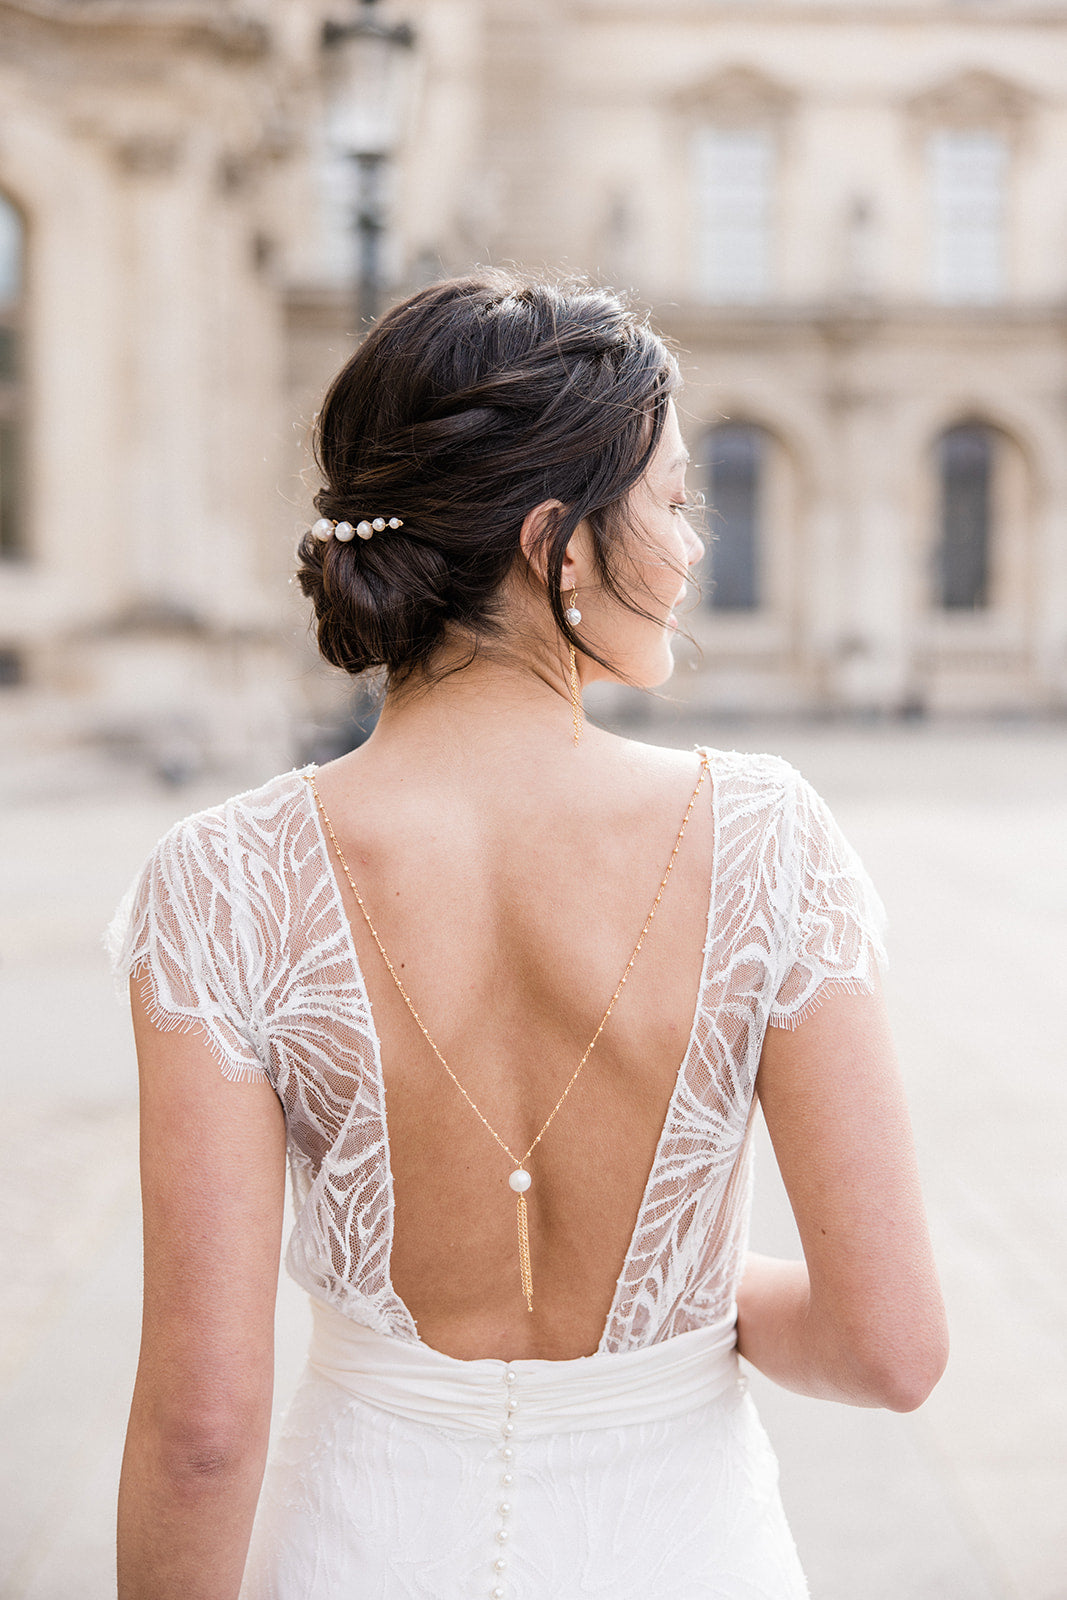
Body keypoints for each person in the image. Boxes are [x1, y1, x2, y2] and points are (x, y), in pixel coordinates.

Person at [110, 270, 948, 1600]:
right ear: (558, 546)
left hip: (359, 1549)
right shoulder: (766, 841)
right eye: (671, 503)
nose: (692, 548)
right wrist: (689, 1293)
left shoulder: (221, 880)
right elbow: (887, 1351)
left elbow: (202, 1434)